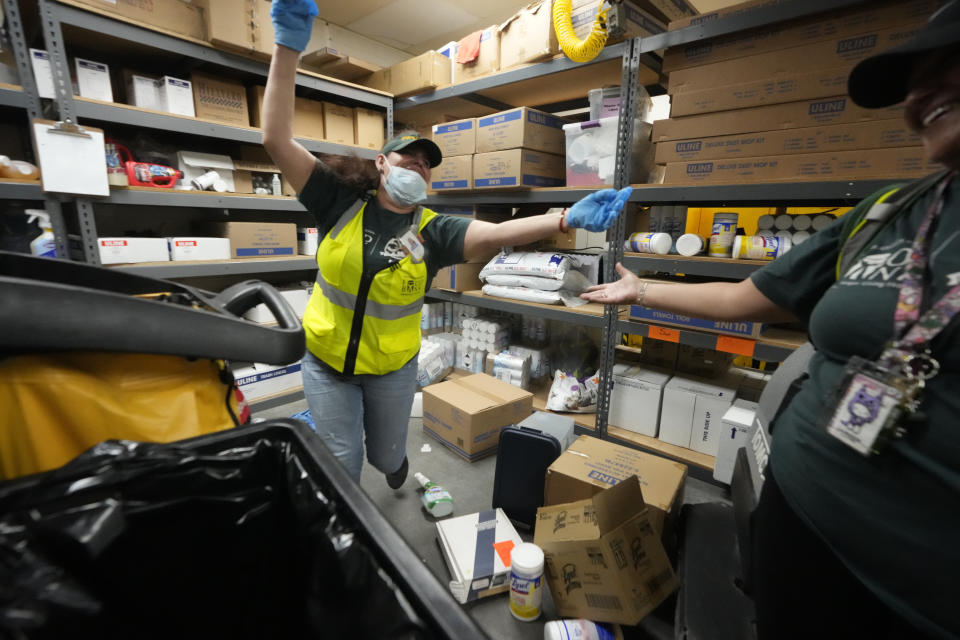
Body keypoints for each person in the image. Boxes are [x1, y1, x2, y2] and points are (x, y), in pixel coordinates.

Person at [582, 4, 960, 638]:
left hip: (921, 589)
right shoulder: (893, 212)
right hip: (803, 511)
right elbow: (745, 298)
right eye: (914, 81)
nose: (920, 96)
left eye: (947, 67)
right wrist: (641, 287)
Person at [263, 0, 633, 485]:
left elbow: (500, 234)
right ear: (380, 163)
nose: (417, 167)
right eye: (407, 159)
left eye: (425, 164)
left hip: (391, 371)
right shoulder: (338, 203)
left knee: (385, 455)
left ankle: (395, 464)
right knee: (341, 460)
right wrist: (288, 47)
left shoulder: (432, 231)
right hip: (326, 364)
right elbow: (275, 138)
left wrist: (564, 217)